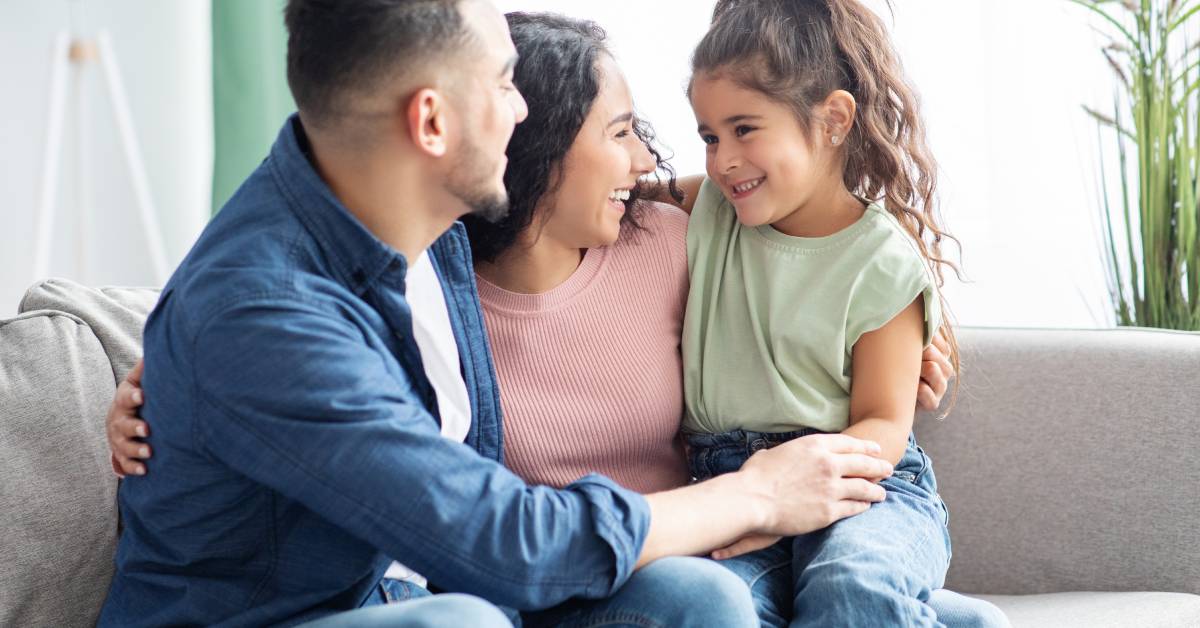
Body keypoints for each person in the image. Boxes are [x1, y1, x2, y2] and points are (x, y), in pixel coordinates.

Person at [96, 1, 899, 626]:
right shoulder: (262, 316)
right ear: (432, 122)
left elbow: (747, 230)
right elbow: (499, 541)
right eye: (504, 83)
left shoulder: (431, 223)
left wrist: (877, 330)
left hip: (441, 597)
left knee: (708, 603)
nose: (522, 115)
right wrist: (754, 493)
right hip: (304, 615)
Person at [679, 0, 968, 625]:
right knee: (712, 604)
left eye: (744, 128)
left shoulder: (882, 261)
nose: (722, 159)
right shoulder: (709, 211)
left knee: (849, 581)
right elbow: (602, 191)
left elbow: (884, 425)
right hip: (729, 485)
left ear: (834, 119)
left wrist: (784, 490)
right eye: (709, 136)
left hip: (865, 489)